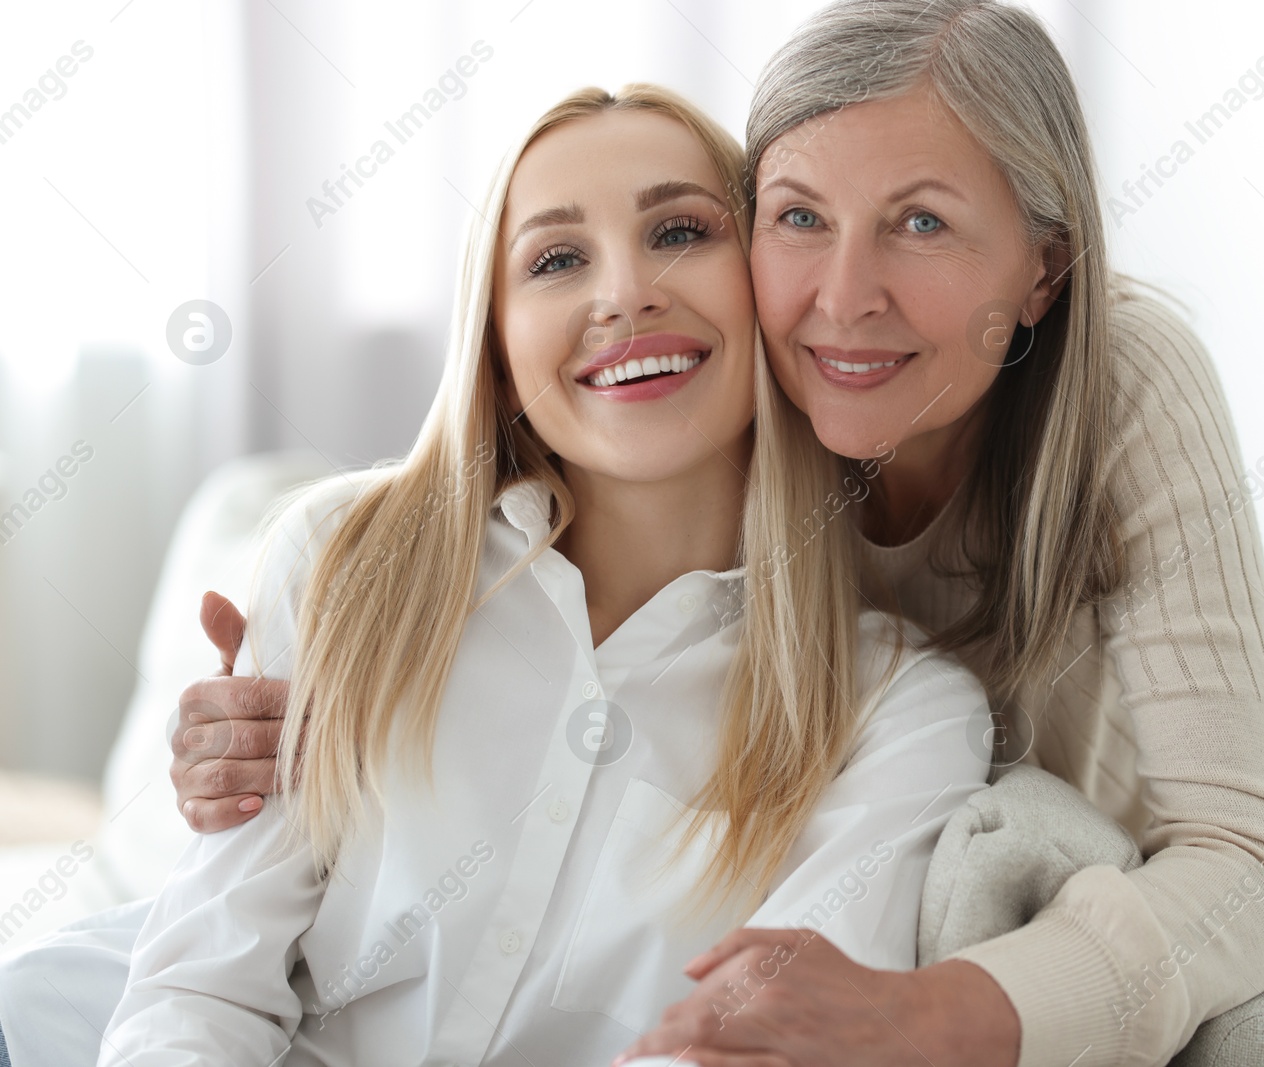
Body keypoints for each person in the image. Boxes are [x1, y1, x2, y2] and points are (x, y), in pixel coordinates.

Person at [11, 2, 1264, 1065]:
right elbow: (221, 951)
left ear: (1044, 264)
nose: (844, 297)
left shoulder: (1098, 416)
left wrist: (931, 1010)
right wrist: (232, 742)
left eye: (926, 224)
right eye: (801, 218)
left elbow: (1240, 854)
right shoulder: (387, 553)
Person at [0, 85, 993, 1066]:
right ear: (500, 347)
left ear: (775, 288)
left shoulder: (901, 714)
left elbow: (758, 1044)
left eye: (680, 232)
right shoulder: (345, 558)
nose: (624, 293)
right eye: (557, 259)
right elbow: (204, 984)